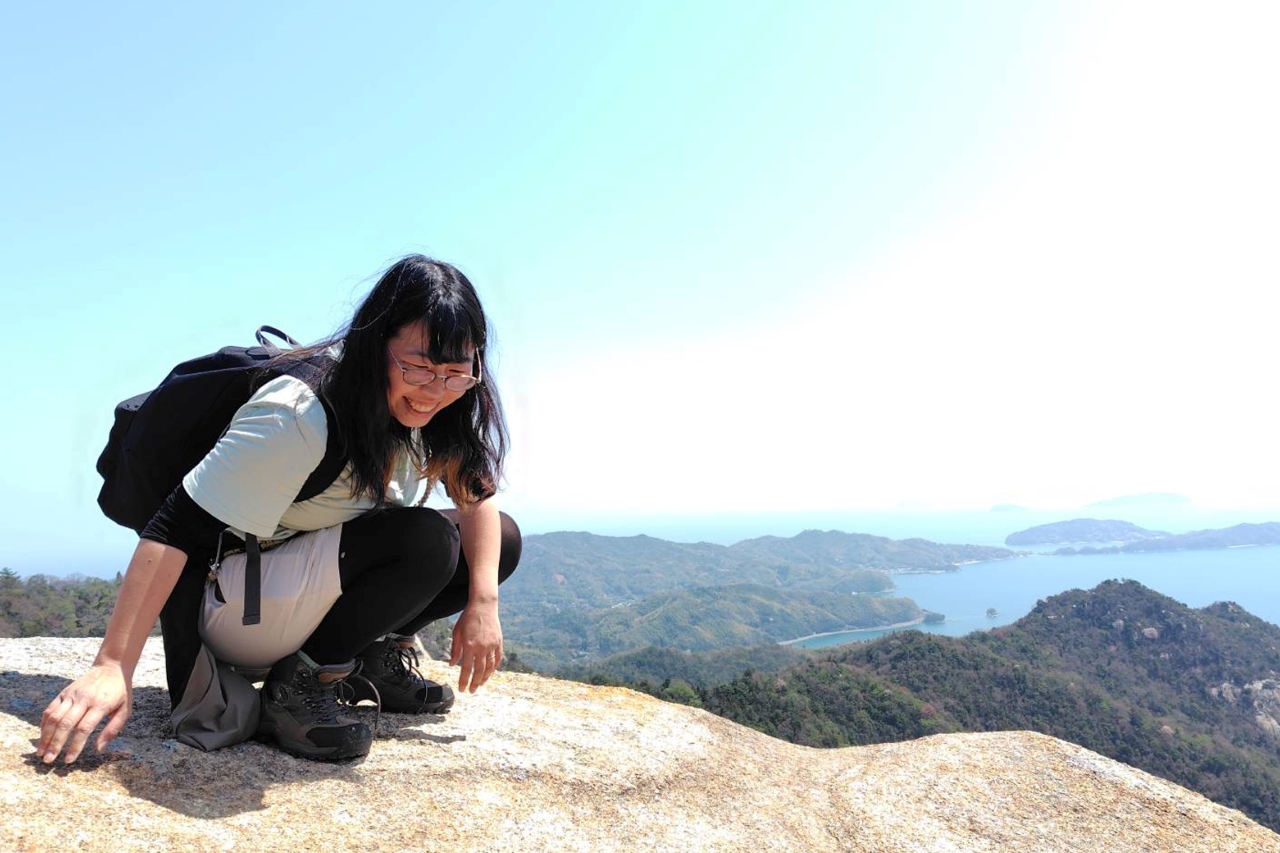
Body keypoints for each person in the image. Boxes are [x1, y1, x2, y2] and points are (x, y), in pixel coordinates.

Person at [38, 255, 521, 762]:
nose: (435, 392)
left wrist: (483, 605)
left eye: (455, 374)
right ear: (374, 345)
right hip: (234, 602)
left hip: (300, 581)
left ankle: (369, 659)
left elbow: (478, 501)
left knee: (498, 542)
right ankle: (298, 689)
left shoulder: (447, 405)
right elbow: (173, 528)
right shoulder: (300, 413)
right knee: (427, 540)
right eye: (418, 367)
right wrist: (112, 664)